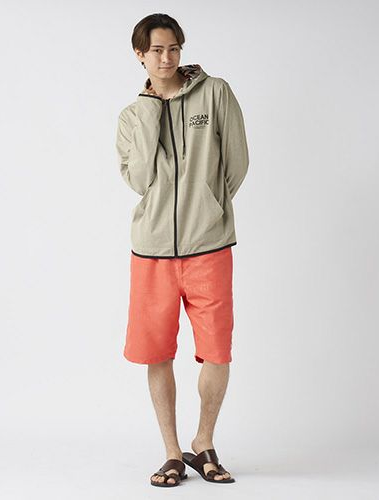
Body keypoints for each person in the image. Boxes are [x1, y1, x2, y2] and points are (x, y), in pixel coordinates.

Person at [115, 13, 249, 488]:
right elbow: (139, 179)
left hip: (208, 246)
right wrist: (152, 109)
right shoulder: (131, 117)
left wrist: (208, 206)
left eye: (173, 48)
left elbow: (237, 162)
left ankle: (204, 442)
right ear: (140, 55)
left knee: (217, 351)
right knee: (158, 352)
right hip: (151, 252)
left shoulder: (215, 94)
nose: (167, 58)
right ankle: (172, 452)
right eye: (156, 50)